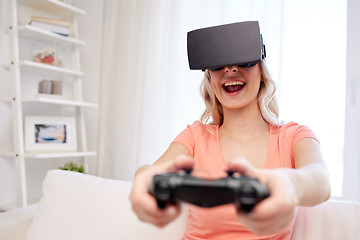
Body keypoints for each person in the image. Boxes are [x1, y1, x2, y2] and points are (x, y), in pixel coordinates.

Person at [129, 21, 331, 239]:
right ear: (209, 77)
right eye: (218, 65)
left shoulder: (294, 136)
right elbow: (150, 173)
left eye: (243, 61)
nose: (230, 69)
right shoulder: (195, 137)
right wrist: (144, 181)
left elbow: (320, 180)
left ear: (261, 71)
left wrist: (289, 184)